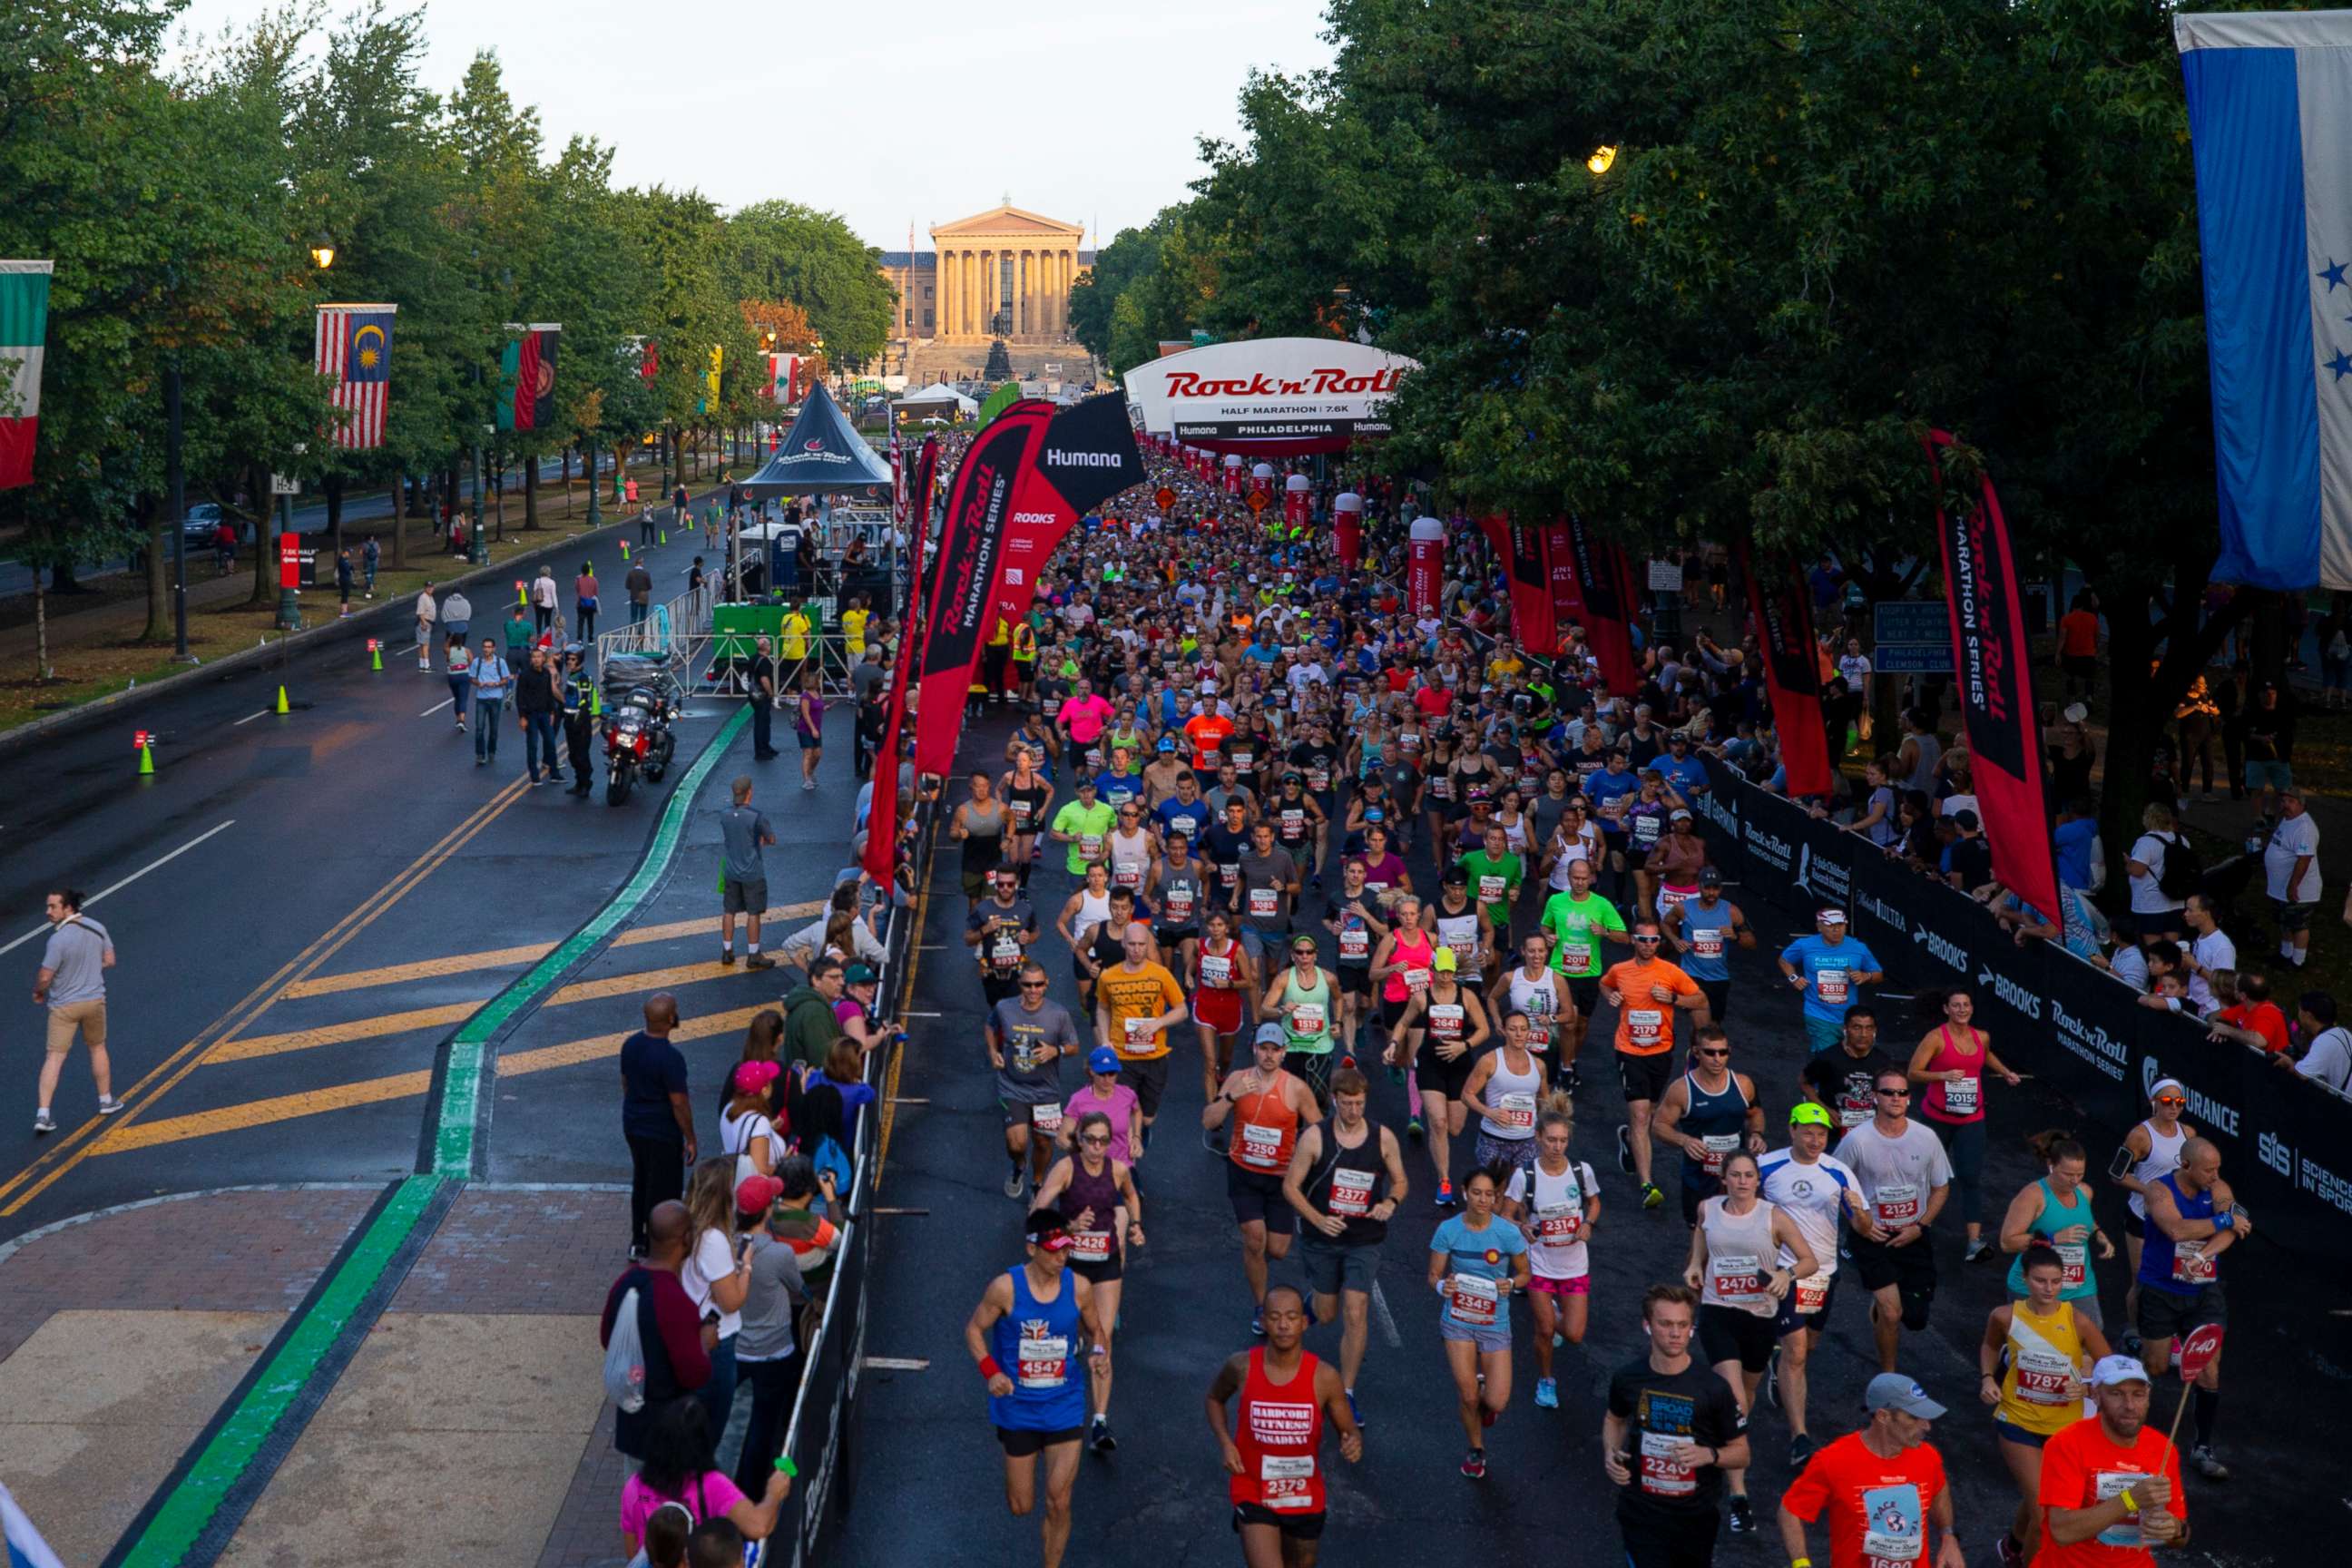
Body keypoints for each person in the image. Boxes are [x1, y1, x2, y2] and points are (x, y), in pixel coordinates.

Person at [965, 1207, 1108, 1568]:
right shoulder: (1004, 1288)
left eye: (1066, 1248)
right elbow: (973, 1330)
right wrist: (991, 1372)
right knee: (1022, 1506)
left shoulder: (1079, 1287)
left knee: (1059, 1501)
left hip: (1064, 1404)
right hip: (1018, 1408)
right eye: (1055, 1249)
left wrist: (1098, 1352)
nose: (1063, 1256)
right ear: (1032, 1248)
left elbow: (1097, 1330)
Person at [1684, 1151, 1818, 1534]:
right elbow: (1700, 1242)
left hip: (1759, 1316)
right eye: (1735, 1175)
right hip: (1718, 1312)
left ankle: (1726, 1435)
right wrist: (1695, 1265)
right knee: (1737, 1399)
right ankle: (1738, 1494)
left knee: (1748, 1394)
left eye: (1749, 1175)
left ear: (1758, 1180)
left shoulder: (1773, 1216)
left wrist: (1786, 1274)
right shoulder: (1708, 1209)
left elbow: (1808, 1259)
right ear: (1724, 1178)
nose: (1742, 1181)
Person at [1281, 1066, 1408, 1423]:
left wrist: (1390, 1203)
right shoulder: (1315, 1138)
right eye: (1348, 1103)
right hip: (1322, 1238)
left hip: (1363, 1239)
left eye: (1361, 1104)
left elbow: (1400, 1181)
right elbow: (1290, 1187)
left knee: (1355, 1311)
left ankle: (1346, 1391)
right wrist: (1317, 1218)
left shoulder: (1382, 1138)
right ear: (1334, 1100)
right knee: (1326, 1314)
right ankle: (1314, 1302)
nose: (1355, 1111)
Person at [1206, 1284, 1364, 1568]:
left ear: (1304, 1323)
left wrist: (1352, 1442)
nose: (1283, 1325)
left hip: (1303, 1495)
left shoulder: (1325, 1377)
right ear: (1263, 1322)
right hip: (1252, 1488)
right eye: (1275, 1317)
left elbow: (1348, 1429)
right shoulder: (1241, 1366)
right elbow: (1214, 1399)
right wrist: (1226, 1443)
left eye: (1291, 1317)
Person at [1980, 1245, 2112, 1568]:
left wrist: (2087, 1384)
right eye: (2040, 1281)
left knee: (2038, 1495)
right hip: (2018, 1422)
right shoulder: (2005, 1316)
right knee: (2046, 1513)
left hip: (2063, 1429)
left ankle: (2013, 1546)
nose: (2049, 1289)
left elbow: (2110, 1366)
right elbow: (1989, 1345)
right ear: (2025, 1279)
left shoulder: (2078, 1321)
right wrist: (1987, 1378)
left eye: (2055, 1281)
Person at [1602, 1283, 1749, 1568]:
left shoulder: (1715, 1388)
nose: (1675, 1333)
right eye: (1666, 1324)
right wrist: (1610, 1452)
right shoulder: (1628, 1378)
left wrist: (1710, 1455)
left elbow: (1742, 1452)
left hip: (1695, 1518)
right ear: (1648, 1325)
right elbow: (1614, 1418)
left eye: (1683, 1325)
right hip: (1641, 1512)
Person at [1758, 1103, 1867, 1466]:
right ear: (1791, 1131)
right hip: (1783, 1272)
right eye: (1807, 1132)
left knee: (1810, 1344)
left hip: (1824, 1272)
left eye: (1821, 1134)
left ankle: (1778, 1362)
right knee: (1798, 1352)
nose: (1815, 1140)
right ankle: (1799, 1437)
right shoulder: (1767, 1166)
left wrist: (1857, 1210)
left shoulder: (1838, 1172)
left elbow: (1863, 1227)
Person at [1031, 1111, 1146, 1454]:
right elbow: (1040, 1208)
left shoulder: (1118, 1169)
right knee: (1070, 1332)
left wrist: (1136, 1225)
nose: (1097, 1147)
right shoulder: (1067, 1169)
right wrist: (1068, 1229)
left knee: (1103, 1337)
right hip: (1071, 1266)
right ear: (1079, 1140)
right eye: (1090, 1140)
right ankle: (1051, 1410)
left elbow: (1131, 1195)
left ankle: (1099, 1421)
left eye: (1103, 1141)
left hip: (1105, 1263)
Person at [1778, 1372, 1967, 1568]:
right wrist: (1801, 1563)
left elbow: (1938, 1488)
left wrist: (1948, 1537)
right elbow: (1790, 1510)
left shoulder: (1928, 1457)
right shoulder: (1833, 1461)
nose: (1927, 1426)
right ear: (1883, 1416)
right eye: (1914, 1418)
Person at [1205, 1023, 1324, 1332]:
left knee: (1277, 1250)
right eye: (1264, 1048)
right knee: (1255, 1239)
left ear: (1284, 1053)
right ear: (1254, 1049)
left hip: (1280, 1178)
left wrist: (1309, 1162)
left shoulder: (1296, 1088)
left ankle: (1254, 1261)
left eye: (1275, 1050)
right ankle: (1260, 1307)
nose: (1269, 1055)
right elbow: (1208, 1121)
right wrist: (1231, 1097)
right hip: (1243, 1172)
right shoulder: (1237, 1079)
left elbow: (1319, 1131)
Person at [2133, 1138, 2239, 1480]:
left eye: (2218, 1167)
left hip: (2203, 1291)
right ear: (2186, 1166)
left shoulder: (2218, 1187)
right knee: (2158, 1365)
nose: (2216, 1175)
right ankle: (2129, 1428)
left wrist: (2201, 1256)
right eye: (2209, 1169)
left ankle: (2203, 1447)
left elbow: (2232, 1234)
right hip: (2161, 1289)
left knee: (2208, 1370)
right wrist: (2225, 1221)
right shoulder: (2158, 1191)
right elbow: (2177, 1229)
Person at [1838, 1068, 1954, 1372]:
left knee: (1914, 1319)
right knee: (1892, 1313)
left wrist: (1921, 1225)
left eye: (1901, 1092)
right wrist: (1858, 1222)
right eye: (1888, 1092)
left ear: (1909, 1099)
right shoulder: (1857, 1140)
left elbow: (1941, 1187)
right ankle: (1887, 1376)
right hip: (1873, 1236)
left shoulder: (1926, 1137)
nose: (1895, 1098)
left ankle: (1882, 1304)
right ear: (1875, 1097)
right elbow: (1836, 1186)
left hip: (1914, 1234)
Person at [1426, 1161, 1531, 1478]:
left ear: (1496, 1198)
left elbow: (1525, 1273)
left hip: (1495, 1322)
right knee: (1469, 1395)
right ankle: (1475, 1450)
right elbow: (1433, 1275)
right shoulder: (1448, 1230)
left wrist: (1510, 1284)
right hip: (1458, 1320)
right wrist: (1445, 1285)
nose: (1483, 1200)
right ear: (1464, 1193)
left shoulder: (1508, 1233)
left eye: (1489, 1195)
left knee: (1496, 1401)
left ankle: (1484, 1408)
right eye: (1476, 1193)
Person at [1502, 1094, 1602, 1412]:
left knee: (1573, 1334)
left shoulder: (1580, 1170)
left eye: (1562, 1141)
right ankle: (1546, 1381)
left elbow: (1595, 1202)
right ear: (1538, 1138)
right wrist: (1522, 1227)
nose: (1557, 1147)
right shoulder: (1525, 1175)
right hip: (1540, 1264)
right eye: (1551, 1140)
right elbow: (1506, 1214)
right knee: (1544, 1330)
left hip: (1574, 1264)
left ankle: (1558, 1315)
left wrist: (1587, 1223)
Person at [2035, 1357, 2189, 1565]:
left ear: (2148, 1398)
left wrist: (2175, 1530)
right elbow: (2062, 1531)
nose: (2129, 1406)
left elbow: (2180, 1535)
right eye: (2116, 1394)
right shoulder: (2066, 1444)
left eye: (2138, 1395)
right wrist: (2130, 1500)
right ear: (2096, 1396)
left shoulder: (2164, 1449)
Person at [1602, 918, 1709, 1210]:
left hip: (1660, 1052)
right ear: (1633, 941)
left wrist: (1674, 998)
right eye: (1643, 939)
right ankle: (1647, 1185)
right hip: (1629, 1050)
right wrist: (1611, 996)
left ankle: (1627, 1137)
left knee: (1647, 1112)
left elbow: (1700, 999)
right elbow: (1605, 983)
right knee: (1639, 1115)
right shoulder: (1620, 970)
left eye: (1653, 940)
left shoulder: (1670, 971)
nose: (1648, 945)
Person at [1907, 988, 2022, 1260]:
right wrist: (1942, 1075)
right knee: (1926, 1175)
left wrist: (2005, 1072)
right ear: (1946, 1009)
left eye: (1966, 1005)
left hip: (1971, 1119)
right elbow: (1913, 1072)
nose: (1962, 1010)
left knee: (1970, 1177)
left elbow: (1985, 1055)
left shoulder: (1981, 1036)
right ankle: (1916, 1228)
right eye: (1956, 1005)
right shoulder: (1935, 1038)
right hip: (1937, 1118)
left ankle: (1974, 1241)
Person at [598, 1202, 711, 1465]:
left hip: (632, 1424)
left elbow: (607, 1339)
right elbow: (695, 1374)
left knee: (638, 1501)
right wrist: (705, 1343)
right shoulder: (675, 1302)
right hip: (668, 1434)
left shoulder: (624, 1284)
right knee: (662, 1504)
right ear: (686, 1239)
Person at [1387, 946, 1493, 1207]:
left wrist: (1463, 1045)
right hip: (1430, 1064)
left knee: (1455, 1127)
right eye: (1440, 972)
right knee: (1438, 1122)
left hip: (1459, 1065)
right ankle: (1444, 1181)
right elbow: (1403, 1022)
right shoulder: (1422, 997)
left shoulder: (1466, 997)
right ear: (1432, 971)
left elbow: (1484, 1030)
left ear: (1454, 972)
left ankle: (1443, 1164)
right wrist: (1393, 1044)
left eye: (1449, 972)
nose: (1444, 977)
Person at [727, 1172, 807, 1496]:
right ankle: (755, 1488)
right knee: (767, 1423)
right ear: (767, 1210)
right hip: (774, 1350)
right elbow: (799, 1289)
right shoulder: (779, 1254)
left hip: (736, 1347)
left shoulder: (726, 1247)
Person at [1651, 1024, 1766, 1226]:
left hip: (1737, 1180)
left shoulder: (1743, 1084)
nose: (1717, 1058)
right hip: (1699, 1179)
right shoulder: (1682, 1089)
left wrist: (1756, 1134)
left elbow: (1755, 1112)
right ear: (1696, 1053)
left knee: (1739, 1236)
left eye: (1723, 1052)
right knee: (1700, 1243)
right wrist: (1684, 1140)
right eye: (1710, 1052)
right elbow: (1659, 1126)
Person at [1999, 1132, 2114, 1330]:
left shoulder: (2085, 1192)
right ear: (2051, 1166)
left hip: (2079, 1286)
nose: (2075, 1181)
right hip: (2036, 1286)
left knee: (2090, 1340)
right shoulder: (2033, 1195)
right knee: (2039, 1349)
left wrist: (2098, 1234)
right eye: (2068, 1174)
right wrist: (2053, 1238)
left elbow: (2085, 1219)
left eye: (2080, 1174)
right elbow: (2007, 1242)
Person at [2111, 1077, 2193, 1343]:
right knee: (2142, 1280)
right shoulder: (2140, 1135)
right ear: (2153, 1102)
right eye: (2167, 1101)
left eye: (2179, 1102)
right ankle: (2133, 1330)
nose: (2174, 1107)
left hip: (2175, 1220)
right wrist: (2149, 1191)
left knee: (2178, 1278)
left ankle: (2172, 1333)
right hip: (2142, 1219)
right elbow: (2116, 1173)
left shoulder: (2188, 1134)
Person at [991, 961, 1082, 1200]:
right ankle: (1019, 1165)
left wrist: (1056, 1051)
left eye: (1038, 985)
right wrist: (993, 1051)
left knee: (1042, 1143)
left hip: (1046, 1091)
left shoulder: (1059, 1014)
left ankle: (1037, 1182)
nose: (1033, 990)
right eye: (1028, 985)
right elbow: (990, 1027)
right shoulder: (1004, 1008)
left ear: (1046, 984)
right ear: (1020, 985)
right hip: (1013, 1087)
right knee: (1017, 1144)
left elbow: (1073, 1046)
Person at [1094, 921, 1189, 1146]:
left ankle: (1141, 1133)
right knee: (1124, 1114)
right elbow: (1102, 1008)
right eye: (1132, 944)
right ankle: (1127, 1160)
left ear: (1148, 945)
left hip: (1154, 1056)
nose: (1136, 949)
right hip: (1123, 1057)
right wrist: (1105, 1040)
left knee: (1146, 1117)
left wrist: (1158, 1023)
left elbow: (1182, 1010)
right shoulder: (1109, 976)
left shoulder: (1161, 974)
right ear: (1123, 944)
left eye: (1141, 944)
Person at [32, 887, 118, 1133]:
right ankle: (106, 1100)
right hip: (94, 1002)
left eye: (52, 907)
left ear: (68, 908)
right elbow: (110, 960)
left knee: (54, 1058)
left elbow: (45, 976)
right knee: (98, 1048)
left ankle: (43, 1114)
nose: (48, 912)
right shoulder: (96, 927)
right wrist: (91, 968)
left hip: (64, 1007)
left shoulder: (57, 940)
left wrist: (39, 990)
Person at [621, 994, 694, 1258]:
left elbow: (626, 1083)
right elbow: (679, 1103)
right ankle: (658, 1242)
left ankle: (637, 1238)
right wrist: (691, 1137)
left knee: (641, 1180)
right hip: (662, 1131)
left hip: (633, 1124)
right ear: (671, 1019)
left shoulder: (630, 1045)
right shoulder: (671, 1057)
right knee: (663, 1188)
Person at [1539, 857, 1630, 1063]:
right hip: (1560, 971)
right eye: (1575, 878)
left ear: (1591, 878)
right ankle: (1565, 1068)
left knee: (1581, 1024)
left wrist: (1605, 932)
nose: (1579, 882)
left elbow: (1625, 938)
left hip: (1589, 972)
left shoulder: (1602, 905)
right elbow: (1545, 926)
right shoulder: (1555, 901)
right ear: (1568, 877)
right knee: (1568, 1021)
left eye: (1583, 878)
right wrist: (1547, 936)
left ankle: (1570, 1060)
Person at [1778, 907, 1885, 1054]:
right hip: (1818, 1014)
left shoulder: (1858, 947)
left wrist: (1866, 976)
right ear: (1819, 926)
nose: (1836, 930)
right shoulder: (1805, 945)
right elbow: (1784, 960)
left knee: (1857, 1056)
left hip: (1850, 1018)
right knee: (1828, 1058)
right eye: (1830, 926)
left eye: (1840, 925)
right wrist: (1794, 978)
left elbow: (1878, 974)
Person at [1462, 1007, 1549, 1174]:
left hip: (1527, 1140)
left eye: (1523, 1029)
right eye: (1512, 1029)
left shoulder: (1539, 1065)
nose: (1518, 1034)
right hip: (1493, 1138)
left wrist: (1544, 1129)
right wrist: (1489, 1112)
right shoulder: (1489, 1061)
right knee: (1493, 1191)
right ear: (1503, 1031)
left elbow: (1545, 1100)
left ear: (1529, 1032)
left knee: (1522, 1193)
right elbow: (1467, 1094)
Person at [1662, 867, 1753, 1023]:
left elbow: (1751, 943)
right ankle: (1695, 1047)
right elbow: (1665, 923)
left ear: (1721, 888)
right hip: (1691, 976)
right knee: (1700, 1023)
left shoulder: (1732, 911)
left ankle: (1696, 1047)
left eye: (1716, 888)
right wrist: (1675, 940)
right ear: (1699, 886)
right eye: (1707, 888)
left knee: (1714, 1027)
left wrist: (1736, 936)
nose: (1712, 893)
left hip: (1719, 978)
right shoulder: (1683, 908)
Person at [1263, 934, 1340, 1104]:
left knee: (1319, 1096)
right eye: (1300, 952)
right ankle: (1295, 1129)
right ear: (1293, 955)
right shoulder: (1283, 978)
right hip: (1291, 1045)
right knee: (1291, 1096)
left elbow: (1338, 998)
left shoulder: (1328, 978)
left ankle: (1317, 1129)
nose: (1304, 956)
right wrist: (1281, 1010)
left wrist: (1338, 1022)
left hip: (1320, 1044)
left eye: (1309, 952)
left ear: (1315, 954)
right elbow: (1264, 1009)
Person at [1191, 907, 1259, 1103]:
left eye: (1220, 925)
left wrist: (1228, 983)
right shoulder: (1200, 945)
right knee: (1210, 1062)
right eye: (1212, 925)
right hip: (1205, 1007)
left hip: (1229, 1010)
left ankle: (1222, 1076)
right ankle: (1213, 1106)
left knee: (1225, 1059)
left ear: (1227, 928)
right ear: (1207, 927)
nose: (1215, 929)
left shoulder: (1236, 949)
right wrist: (1188, 975)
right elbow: (1192, 965)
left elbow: (1249, 982)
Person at [716, 776, 776, 969]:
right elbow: (771, 839)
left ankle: (727, 950)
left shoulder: (724, 814)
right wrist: (762, 840)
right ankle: (753, 954)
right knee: (753, 912)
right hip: (752, 872)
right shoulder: (756, 816)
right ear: (750, 792)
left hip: (730, 870)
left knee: (729, 910)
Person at [970, 865, 1040, 1010]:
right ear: (996, 885)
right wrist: (985, 930)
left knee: (1014, 1012)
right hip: (991, 973)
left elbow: (1036, 933)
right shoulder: (982, 909)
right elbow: (968, 939)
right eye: (1001, 884)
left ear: (1017, 884)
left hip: (1017, 972)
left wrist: (1029, 938)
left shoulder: (1025, 909)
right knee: (997, 1011)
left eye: (1010, 884)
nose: (1005, 888)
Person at [794, 670, 825, 792]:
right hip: (806, 729)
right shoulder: (805, 696)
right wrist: (813, 729)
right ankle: (807, 779)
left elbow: (818, 707)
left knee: (817, 754)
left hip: (816, 729)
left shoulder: (818, 693)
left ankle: (810, 773)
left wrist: (826, 707)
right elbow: (805, 714)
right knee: (808, 753)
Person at [415, 581, 438, 670]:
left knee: (422, 644)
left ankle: (422, 665)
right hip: (424, 623)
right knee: (425, 645)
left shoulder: (430, 597)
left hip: (428, 622)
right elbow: (420, 612)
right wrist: (424, 623)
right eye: (428, 587)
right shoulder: (423, 598)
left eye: (431, 587)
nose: (430, 588)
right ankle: (427, 666)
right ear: (425, 588)